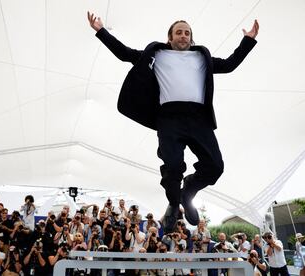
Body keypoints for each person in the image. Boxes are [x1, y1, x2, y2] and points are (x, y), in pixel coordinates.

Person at [87, 12, 259, 232]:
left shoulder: (200, 57)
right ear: (170, 37)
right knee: (173, 166)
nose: (183, 36)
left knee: (215, 166)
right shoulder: (157, 55)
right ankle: (174, 201)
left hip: (198, 118)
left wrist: (248, 40)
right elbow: (124, 53)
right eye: (179, 32)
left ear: (191, 38)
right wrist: (101, 31)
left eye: (187, 33)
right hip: (169, 118)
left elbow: (229, 64)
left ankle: (189, 191)